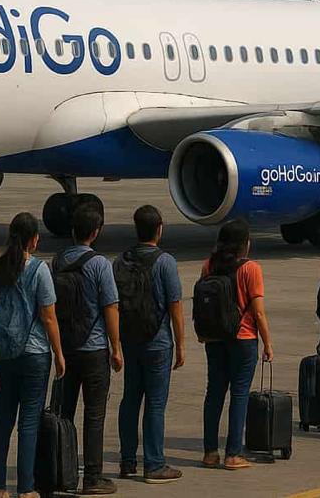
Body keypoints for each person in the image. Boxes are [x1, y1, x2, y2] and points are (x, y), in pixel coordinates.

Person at [0, 212, 66, 498]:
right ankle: (25, 488)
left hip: (5, 352)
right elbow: (49, 316)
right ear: (33, 240)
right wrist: (59, 353)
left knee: (2, 419)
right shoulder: (39, 270)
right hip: (34, 353)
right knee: (29, 422)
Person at [55, 200, 122, 494]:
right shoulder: (99, 264)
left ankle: (63, 473)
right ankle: (92, 478)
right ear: (96, 232)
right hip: (93, 349)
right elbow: (110, 308)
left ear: (73, 231)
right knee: (94, 415)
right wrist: (116, 347)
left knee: (64, 414)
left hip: (66, 348)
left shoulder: (57, 261)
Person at [117, 206, 185, 484]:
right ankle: (154, 464)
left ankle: (127, 461)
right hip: (158, 341)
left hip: (129, 339)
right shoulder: (165, 262)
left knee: (130, 399)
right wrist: (180, 344)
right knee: (155, 403)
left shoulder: (121, 261)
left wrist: (115, 342)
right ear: (159, 230)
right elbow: (175, 305)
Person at [200, 218, 273, 470]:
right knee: (239, 394)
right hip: (243, 338)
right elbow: (258, 311)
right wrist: (267, 343)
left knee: (214, 393)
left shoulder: (209, 265)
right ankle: (233, 453)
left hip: (215, 337)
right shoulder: (251, 269)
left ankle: (210, 452)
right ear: (244, 245)